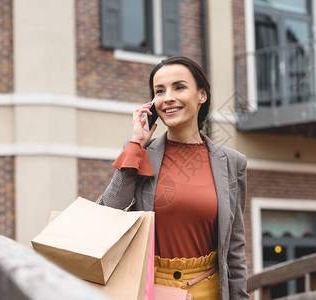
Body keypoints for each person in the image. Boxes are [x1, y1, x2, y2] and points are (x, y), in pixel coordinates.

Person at [103, 56, 249, 299]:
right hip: (151, 289)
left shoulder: (233, 162)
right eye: (160, 91)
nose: (168, 97)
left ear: (202, 95)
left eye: (179, 87)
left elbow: (234, 248)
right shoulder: (140, 153)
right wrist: (136, 144)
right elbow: (110, 214)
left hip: (208, 291)